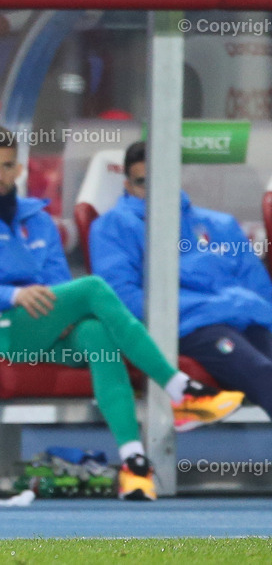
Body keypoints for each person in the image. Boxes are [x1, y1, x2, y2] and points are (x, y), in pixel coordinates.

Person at [0, 125, 244, 502]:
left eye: (6, 166)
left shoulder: (35, 219)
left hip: (34, 329)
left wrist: (51, 309)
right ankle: (179, 388)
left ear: (19, 169)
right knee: (94, 288)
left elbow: (56, 284)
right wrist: (11, 294)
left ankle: (134, 465)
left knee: (96, 335)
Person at [91, 141, 272, 422]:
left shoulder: (220, 225)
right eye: (142, 183)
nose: (153, 191)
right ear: (127, 186)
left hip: (245, 320)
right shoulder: (112, 227)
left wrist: (242, 309)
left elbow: (259, 288)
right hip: (186, 329)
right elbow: (122, 300)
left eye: (161, 180)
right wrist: (214, 307)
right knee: (261, 372)